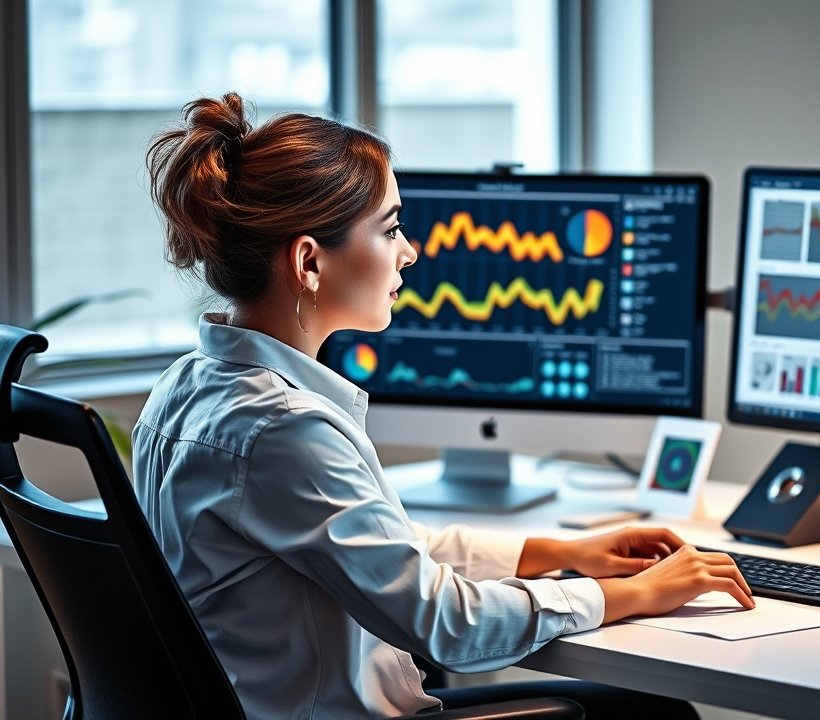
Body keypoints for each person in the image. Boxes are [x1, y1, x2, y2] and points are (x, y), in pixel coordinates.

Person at [134, 92, 753, 720]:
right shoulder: (285, 431)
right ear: (309, 261)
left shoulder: (183, 392)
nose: (411, 252)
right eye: (391, 228)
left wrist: (564, 554)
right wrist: (622, 595)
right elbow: (446, 625)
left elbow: (382, 548)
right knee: (651, 714)